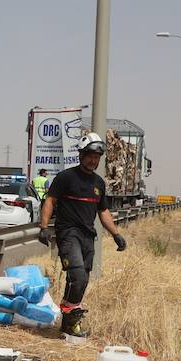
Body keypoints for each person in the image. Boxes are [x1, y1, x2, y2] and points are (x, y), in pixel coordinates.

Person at [37, 132, 127, 338]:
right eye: (90, 156)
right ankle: (69, 319)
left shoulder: (98, 183)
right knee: (77, 274)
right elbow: (50, 201)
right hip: (68, 233)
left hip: (88, 236)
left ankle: (68, 322)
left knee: (82, 279)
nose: (93, 160)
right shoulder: (66, 177)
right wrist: (44, 227)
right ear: (81, 155)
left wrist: (116, 234)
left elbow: (103, 211)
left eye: (97, 157)